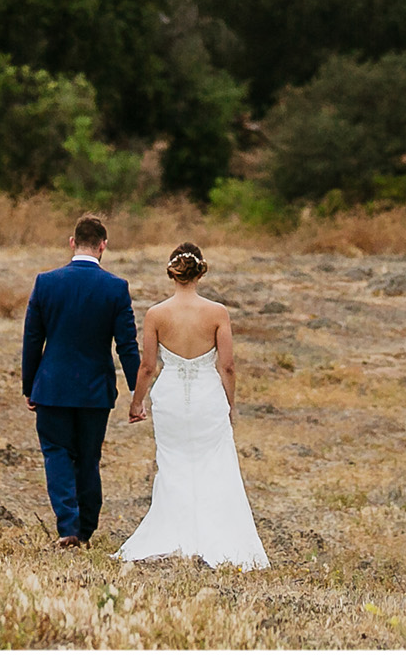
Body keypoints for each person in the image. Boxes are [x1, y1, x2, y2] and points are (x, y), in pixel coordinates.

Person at [115, 241, 270, 569]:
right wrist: (230, 405)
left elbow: (147, 367)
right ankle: (219, 538)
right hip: (206, 397)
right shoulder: (217, 313)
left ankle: (174, 533)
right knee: (214, 464)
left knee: (173, 464)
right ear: (200, 272)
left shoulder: (156, 314)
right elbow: (227, 366)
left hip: (170, 397)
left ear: (172, 273)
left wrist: (136, 402)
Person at [20, 212, 141, 549]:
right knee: (88, 457)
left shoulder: (46, 282)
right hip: (94, 390)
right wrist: (138, 392)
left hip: (53, 386)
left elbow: (32, 339)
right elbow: (127, 346)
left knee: (56, 453)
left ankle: (68, 527)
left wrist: (30, 386)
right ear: (103, 246)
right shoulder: (116, 288)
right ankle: (86, 529)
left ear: (72, 242)